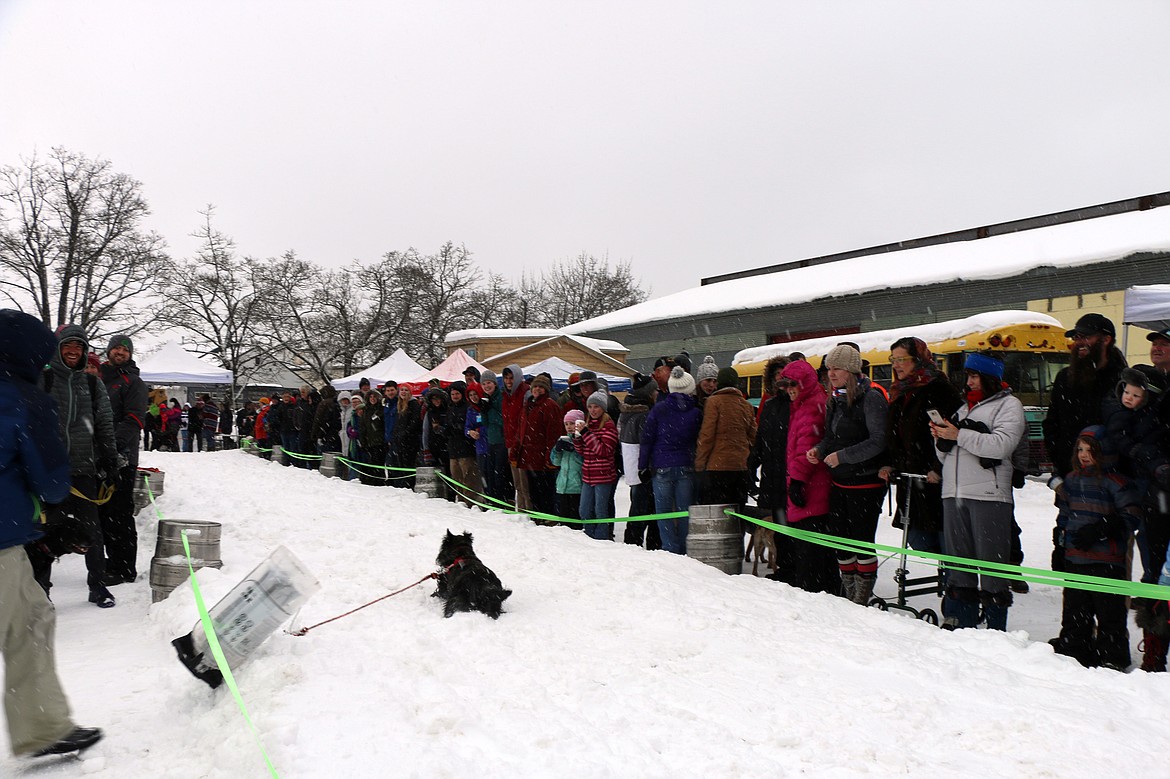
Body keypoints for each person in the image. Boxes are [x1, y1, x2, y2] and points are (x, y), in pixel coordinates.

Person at [0, 309, 103, 758]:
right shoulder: (24, 398)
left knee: (31, 620)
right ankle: (42, 726)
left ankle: (43, 725)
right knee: (27, 624)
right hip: (1, 537)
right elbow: (51, 481)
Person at [25, 324, 120, 608]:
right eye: (68, 346)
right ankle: (42, 592)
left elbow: (104, 423)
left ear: (85, 351)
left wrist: (110, 458)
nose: (73, 351)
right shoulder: (44, 378)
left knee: (92, 530)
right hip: (50, 469)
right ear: (58, 348)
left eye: (78, 347)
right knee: (45, 533)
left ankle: (98, 586)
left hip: (83, 467)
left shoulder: (92, 384)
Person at [932, 352, 1026, 631]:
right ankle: (963, 622)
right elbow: (945, 459)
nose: (969, 382)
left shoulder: (1009, 406)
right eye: (968, 376)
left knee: (992, 567)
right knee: (959, 566)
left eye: (974, 376)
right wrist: (941, 440)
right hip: (954, 493)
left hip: (989, 495)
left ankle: (996, 629)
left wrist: (958, 436)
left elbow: (1001, 445)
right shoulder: (963, 410)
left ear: (989, 379)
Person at [1049, 427, 1143, 669]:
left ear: (1105, 453)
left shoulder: (1117, 482)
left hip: (1107, 562)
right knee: (1075, 611)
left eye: (1091, 451)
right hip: (1076, 558)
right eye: (1080, 449)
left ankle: (1112, 656)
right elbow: (1065, 516)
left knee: (1110, 613)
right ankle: (1075, 649)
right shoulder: (1071, 480)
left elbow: (1132, 516)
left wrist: (1103, 528)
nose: (1083, 455)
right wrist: (1060, 546)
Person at [1043, 313, 1127, 570]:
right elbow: (1052, 426)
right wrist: (1063, 470)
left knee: (1108, 562)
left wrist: (1112, 474)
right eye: (1076, 336)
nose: (1079, 342)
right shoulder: (1065, 378)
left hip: (1110, 483)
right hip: (1072, 479)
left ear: (1106, 339)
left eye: (1086, 336)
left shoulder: (1122, 379)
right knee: (1070, 557)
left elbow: (1127, 433)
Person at [807, 344, 889, 605]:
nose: (830, 373)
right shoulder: (835, 398)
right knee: (840, 539)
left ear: (851, 370)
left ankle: (861, 596)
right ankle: (849, 592)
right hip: (840, 480)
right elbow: (831, 437)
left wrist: (843, 456)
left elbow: (878, 440)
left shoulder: (872, 397)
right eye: (829, 368)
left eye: (837, 368)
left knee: (861, 541)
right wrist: (820, 450)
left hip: (866, 482)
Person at [878, 337, 962, 558]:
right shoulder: (899, 390)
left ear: (918, 359)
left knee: (946, 539)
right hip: (909, 479)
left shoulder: (939, 388)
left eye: (901, 359)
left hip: (934, 479)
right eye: (893, 359)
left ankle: (954, 584)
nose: (896, 365)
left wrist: (938, 467)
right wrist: (889, 462)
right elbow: (893, 432)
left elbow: (951, 431)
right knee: (918, 538)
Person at [779, 359, 836, 594]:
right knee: (816, 553)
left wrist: (798, 481)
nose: (789, 389)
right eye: (785, 384)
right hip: (809, 487)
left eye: (794, 384)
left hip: (812, 489)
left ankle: (814, 595)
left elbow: (807, 448)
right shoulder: (803, 405)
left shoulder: (812, 406)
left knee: (810, 555)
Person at [98, 333, 148, 586]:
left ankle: (124, 567)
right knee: (102, 513)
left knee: (119, 514)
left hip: (122, 458)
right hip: (95, 456)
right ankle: (111, 560)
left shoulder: (133, 381)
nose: (120, 352)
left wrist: (110, 446)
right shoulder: (99, 377)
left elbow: (135, 418)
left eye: (125, 350)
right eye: (116, 348)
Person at [640, 366, 702, 554]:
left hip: (662, 465)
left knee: (664, 511)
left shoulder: (659, 409)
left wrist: (642, 465)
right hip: (685, 464)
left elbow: (647, 439)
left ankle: (669, 547)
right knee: (684, 511)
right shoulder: (696, 412)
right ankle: (684, 548)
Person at [748, 355, 792, 580]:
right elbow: (760, 440)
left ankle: (793, 567)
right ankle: (783, 567)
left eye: (785, 375)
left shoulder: (797, 404)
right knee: (776, 523)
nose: (781, 380)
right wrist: (750, 466)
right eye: (777, 375)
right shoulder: (769, 405)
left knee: (792, 523)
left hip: (791, 475)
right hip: (771, 474)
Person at [695, 366, 757, 508]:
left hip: (717, 467)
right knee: (737, 511)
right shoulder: (746, 405)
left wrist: (700, 462)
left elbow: (707, 435)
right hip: (740, 467)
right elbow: (753, 436)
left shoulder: (713, 402)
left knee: (718, 512)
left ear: (719, 383)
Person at [618, 374, 662, 550]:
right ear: (648, 393)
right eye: (655, 390)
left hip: (632, 467)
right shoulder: (645, 414)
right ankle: (646, 544)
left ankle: (632, 541)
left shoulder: (627, 411)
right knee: (645, 508)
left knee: (637, 506)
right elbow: (647, 443)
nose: (657, 393)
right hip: (643, 469)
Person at [573, 390, 619, 541]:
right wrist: (577, 439)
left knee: (601, 511)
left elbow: (603, 451)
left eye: (596, 407)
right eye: (590, 407)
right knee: (584, 510)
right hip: (588, 475)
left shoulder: (609, 426)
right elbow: (583, 452)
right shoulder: (587, 425)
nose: (593, 410)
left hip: (603, 476)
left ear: (603, 408)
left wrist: (585, 434)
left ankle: (602, 540)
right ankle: (589, 538)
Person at [516, 375, 563, 518]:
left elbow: (553, 434)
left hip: (543, 458)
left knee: (546, 492)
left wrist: (550, 457)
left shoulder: (550, 405)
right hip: (529, 457)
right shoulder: (528, 405)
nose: (537, 389)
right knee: (533, 491)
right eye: (535, 386)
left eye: (541, 387)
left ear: (546, 389)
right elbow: (522, 430)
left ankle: (548, 518)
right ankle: (537, 517)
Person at [444, 381, 484, 507]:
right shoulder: (450, 408)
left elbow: (466, 426)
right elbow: (449, 426)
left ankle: (472, 502)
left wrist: (457, 428)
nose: (455, 396)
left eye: (457, 394)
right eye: (453, 394)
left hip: (466, 449)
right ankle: (461, 501)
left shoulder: (468, 407)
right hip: (453, 449)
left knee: (469, 479)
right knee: (457, 478)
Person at [501, 364, 531, 511]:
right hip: (510, 442)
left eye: (511, 378)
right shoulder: (506, 395)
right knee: (517, 481)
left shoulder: (525, 393)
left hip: (523, 443)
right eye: (506, 378)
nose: (508, 381)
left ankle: (529, 511)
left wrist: (521, 438)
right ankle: (521, 509)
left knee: (525, 481)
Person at [479, 371, 512, 504]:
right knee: (490, 473)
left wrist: (490, 409)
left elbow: (503, 419)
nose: (486, 386)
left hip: (502, 440)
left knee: (500, 473)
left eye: (489, 383)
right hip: (491, 441)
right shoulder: (486, 398)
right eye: (484, 384)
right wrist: (483, 410)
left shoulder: (501, 397)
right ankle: (493, 499)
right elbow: (485, 423)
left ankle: (502, 500)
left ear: (494, 384)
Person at [551, 410, 585, 527]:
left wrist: (576, 448)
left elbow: (584, 461)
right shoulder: (562, 439)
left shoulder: (583, 440)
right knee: (563, 519)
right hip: (562, 487)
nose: (569, 427)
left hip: (576, 487)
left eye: (572, 423)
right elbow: (555, 461)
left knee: (575, 520)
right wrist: (557, 449)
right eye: (567, 424)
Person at [392, 384, 422, 489]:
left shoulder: (414, 404)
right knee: (401, 464)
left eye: (406, 390)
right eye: (402, 390)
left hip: (410, 441)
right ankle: (404, 484)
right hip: (400, 441)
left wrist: (405, 434)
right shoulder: (400, 405)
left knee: (409, 464)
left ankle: (410, 485)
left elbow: (414, 422)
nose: (403, 392)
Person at [359, 390, 386, 486]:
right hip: (368, 441)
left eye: (374, 397)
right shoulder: (366, 410)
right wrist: (363, 441)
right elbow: (363, 427)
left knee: (378, 463)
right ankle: (370, 480)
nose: (372, 399)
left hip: (379, 442)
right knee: (369, 463)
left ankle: (378, 481)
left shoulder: (381, 410)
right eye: (371, 397)